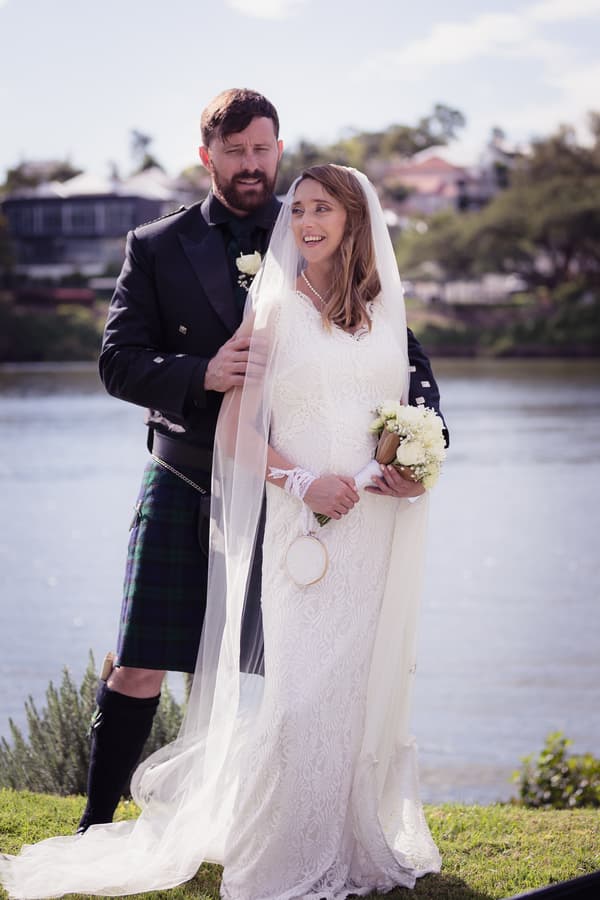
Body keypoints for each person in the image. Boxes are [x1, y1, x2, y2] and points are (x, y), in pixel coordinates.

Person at [0, 162, 444, 899]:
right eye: (298, 208)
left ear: (356, 221)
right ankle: (283, 846)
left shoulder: (382, 314)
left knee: (357, 691)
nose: (305, 221)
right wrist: (302, 482)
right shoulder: (274, 310)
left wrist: (407, 463)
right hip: (303, 524)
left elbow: (406, 411)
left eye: (323, 209)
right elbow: (236, 433)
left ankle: (353, 839)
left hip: (374, 528)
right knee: (299, 693)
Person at [78, 86, 448, 836]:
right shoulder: (155, 245)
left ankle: (304, 826)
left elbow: (399, 353)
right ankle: (95, 821)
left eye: (262, 150)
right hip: (187, 470)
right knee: (143, 660)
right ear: (207, 155)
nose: (251, 165)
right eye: (236, 151)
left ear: (278, 149)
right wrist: (202, 373)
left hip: (299, 486)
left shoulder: (318, 223)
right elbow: (117, 363)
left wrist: (423, 439)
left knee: (303, 667)